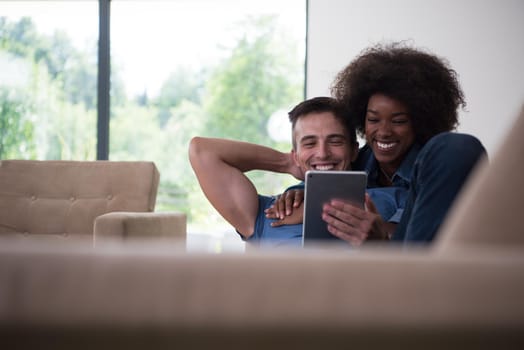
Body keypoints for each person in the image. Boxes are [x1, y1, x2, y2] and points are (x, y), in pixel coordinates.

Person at [267, 42, 487, 244]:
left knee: (457, 147)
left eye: (398, 121)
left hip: (418, 262)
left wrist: (384, 234)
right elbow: (323, 175)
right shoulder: (353, 159)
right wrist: (293, 176)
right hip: (371, 266)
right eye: (373, 119)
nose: (383, 132)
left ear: (420, 122)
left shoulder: (439, 164)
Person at [188, 97, 390, 248]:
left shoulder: (392, 199)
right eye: (310, 143)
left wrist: (380, 241)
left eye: (335, 141)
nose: (322, 153)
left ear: (354, 150)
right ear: (296, 155)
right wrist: (286, 163)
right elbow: (202, 151)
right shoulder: (270, 213)